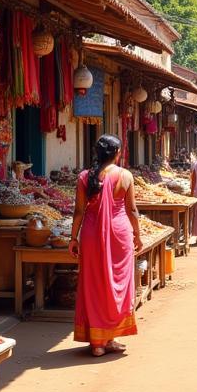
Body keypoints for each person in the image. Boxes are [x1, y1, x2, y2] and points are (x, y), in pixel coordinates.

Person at [69, 135, 141, 357]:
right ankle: (109, 337)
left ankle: (97, 343)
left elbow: (79, 211)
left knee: (93, 283)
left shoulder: (84, 176)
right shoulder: (126, 176)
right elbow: (131, 210)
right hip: (119, 234)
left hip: (90, 234)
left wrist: (73, 238)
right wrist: (137, 234)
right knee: (117, 283)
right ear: (117, 152)